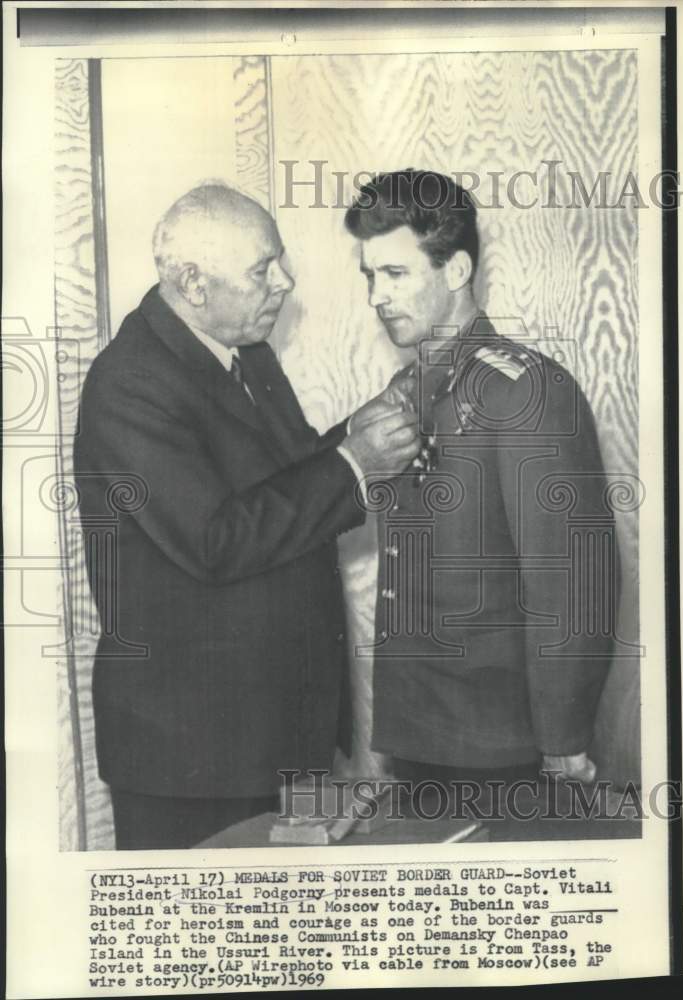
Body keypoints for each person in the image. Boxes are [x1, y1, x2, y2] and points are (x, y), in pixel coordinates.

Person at [74, 182, 419, 849]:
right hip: (189, 756)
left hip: (275, 730)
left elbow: (280, 484)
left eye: (279, 262)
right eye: (262, 271)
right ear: (193, 284)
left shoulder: (246, 354)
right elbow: (216, 539)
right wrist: (354, 463)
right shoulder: (129, 382)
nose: (284, 283)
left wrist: (360, 428)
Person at [344, 169, 618, 800]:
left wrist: (563, 739)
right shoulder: (404, 391)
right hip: (416, 738)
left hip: (504, 744)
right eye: (369, 276)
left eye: (395, 274)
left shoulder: (525, 391)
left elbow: (570, 580)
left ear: (457, 271)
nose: (376, 297)